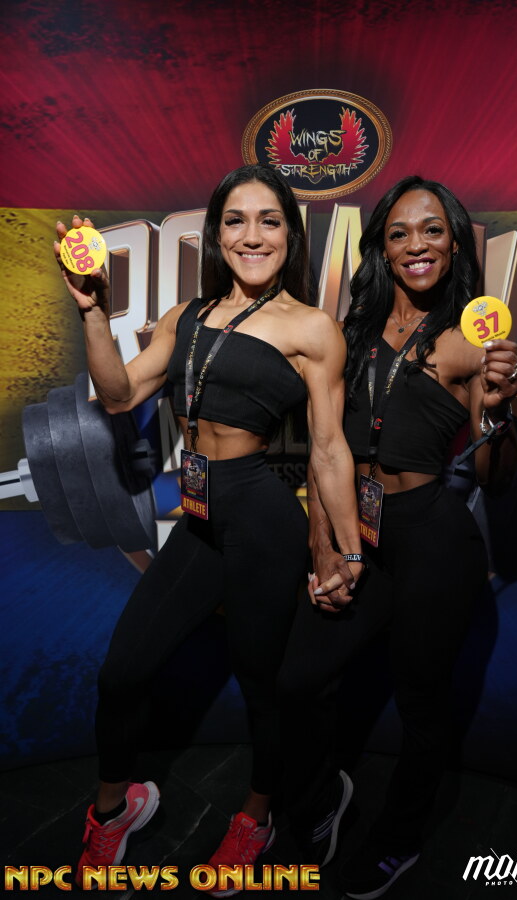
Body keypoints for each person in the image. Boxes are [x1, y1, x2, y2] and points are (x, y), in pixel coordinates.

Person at [54, 164, 364, 889]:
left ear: (290, 235)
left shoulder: (312, 328)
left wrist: (345, 551)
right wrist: (93, 312)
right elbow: (119, 394)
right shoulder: (185, 317)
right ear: (216, 235)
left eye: (269, 221)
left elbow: (328, 448)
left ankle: (256, 816)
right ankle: (116, 809)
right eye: (236, 220)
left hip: (261, 521)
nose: (252, 236)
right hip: (198, 522)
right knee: (123, 671)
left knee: (262, 687)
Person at [277, 176, 517, 899]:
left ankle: (400, 838)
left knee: (422, 702)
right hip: (354, 524)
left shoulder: (471, 345)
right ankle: (325, 798)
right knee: (298, 679)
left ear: (454, 244)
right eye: (399, 232)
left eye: (432, 230)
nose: (416, 244)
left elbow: (497, 478)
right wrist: (325, 541)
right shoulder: (348, 332)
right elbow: (324, 444)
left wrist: (498, 413)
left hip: (431, 538)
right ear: (382, 249)